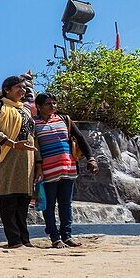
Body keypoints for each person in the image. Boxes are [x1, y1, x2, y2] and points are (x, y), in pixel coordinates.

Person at [33, 93, 99, 248]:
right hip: (47, 171)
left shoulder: (65, 120)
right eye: (49, 103)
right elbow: (34, 147)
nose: (53, 106)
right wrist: (37, 167)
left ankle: (67, 236)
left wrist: (91, 158)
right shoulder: (33, 123)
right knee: (49, 205)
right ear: (39, 106)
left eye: (54, 103)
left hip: (68, 169)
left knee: (66, 204)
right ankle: (55, 238)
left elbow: (81, 139)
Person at [0, 75, 38, 248]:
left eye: (24, 88)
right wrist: (12, 144)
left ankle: (24, 238)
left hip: (26, 158)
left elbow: (32, 136)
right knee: (9, 199)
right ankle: (13, 240)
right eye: (18, 87)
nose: (22, 90)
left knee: (23, 201)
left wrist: (38, 161)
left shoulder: (26, 110)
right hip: (7, 155)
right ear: (7, 89)